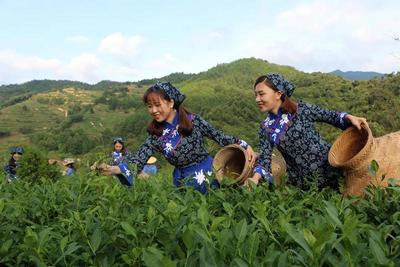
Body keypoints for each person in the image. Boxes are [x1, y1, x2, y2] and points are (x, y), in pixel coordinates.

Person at [110, 82, 256, 194]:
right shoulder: (155, 135)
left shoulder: (193, 121)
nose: (153, 110)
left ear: (171, 102)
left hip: (208, 175)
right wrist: (114, 169)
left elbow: (217, 135)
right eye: (149, 106)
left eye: (157, 105)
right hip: (181, 182)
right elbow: (138, 160)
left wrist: (244, 144)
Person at [247, 73, 368, 190]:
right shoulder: (265, 128)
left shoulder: (301, 110)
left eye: (261, 94)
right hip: (304, 185)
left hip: (332, 172)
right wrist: (255, 178)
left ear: (278, 94)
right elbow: (264, 158)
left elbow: (330, 116)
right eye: (255, 95)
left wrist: (350, 117)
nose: (257, 99)